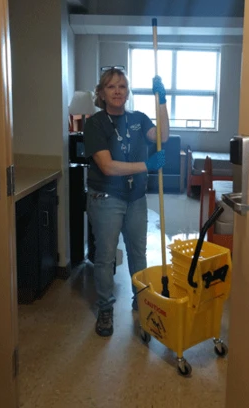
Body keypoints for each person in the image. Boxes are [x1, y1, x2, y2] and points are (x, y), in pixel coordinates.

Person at [84, 67, 169, 337]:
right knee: (106, 256)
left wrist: (162, 102)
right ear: (101, 93)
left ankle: (141, 301)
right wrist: (145, 165)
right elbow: (107, 167)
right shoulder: (95, 124)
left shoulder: (139, 119)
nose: (118, 91)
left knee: (138, 253)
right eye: (111, 87)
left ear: (128, 91)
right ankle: (106, 308)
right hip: (107, 198)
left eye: (122, 86)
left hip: (136, 199)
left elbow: (162, 136)